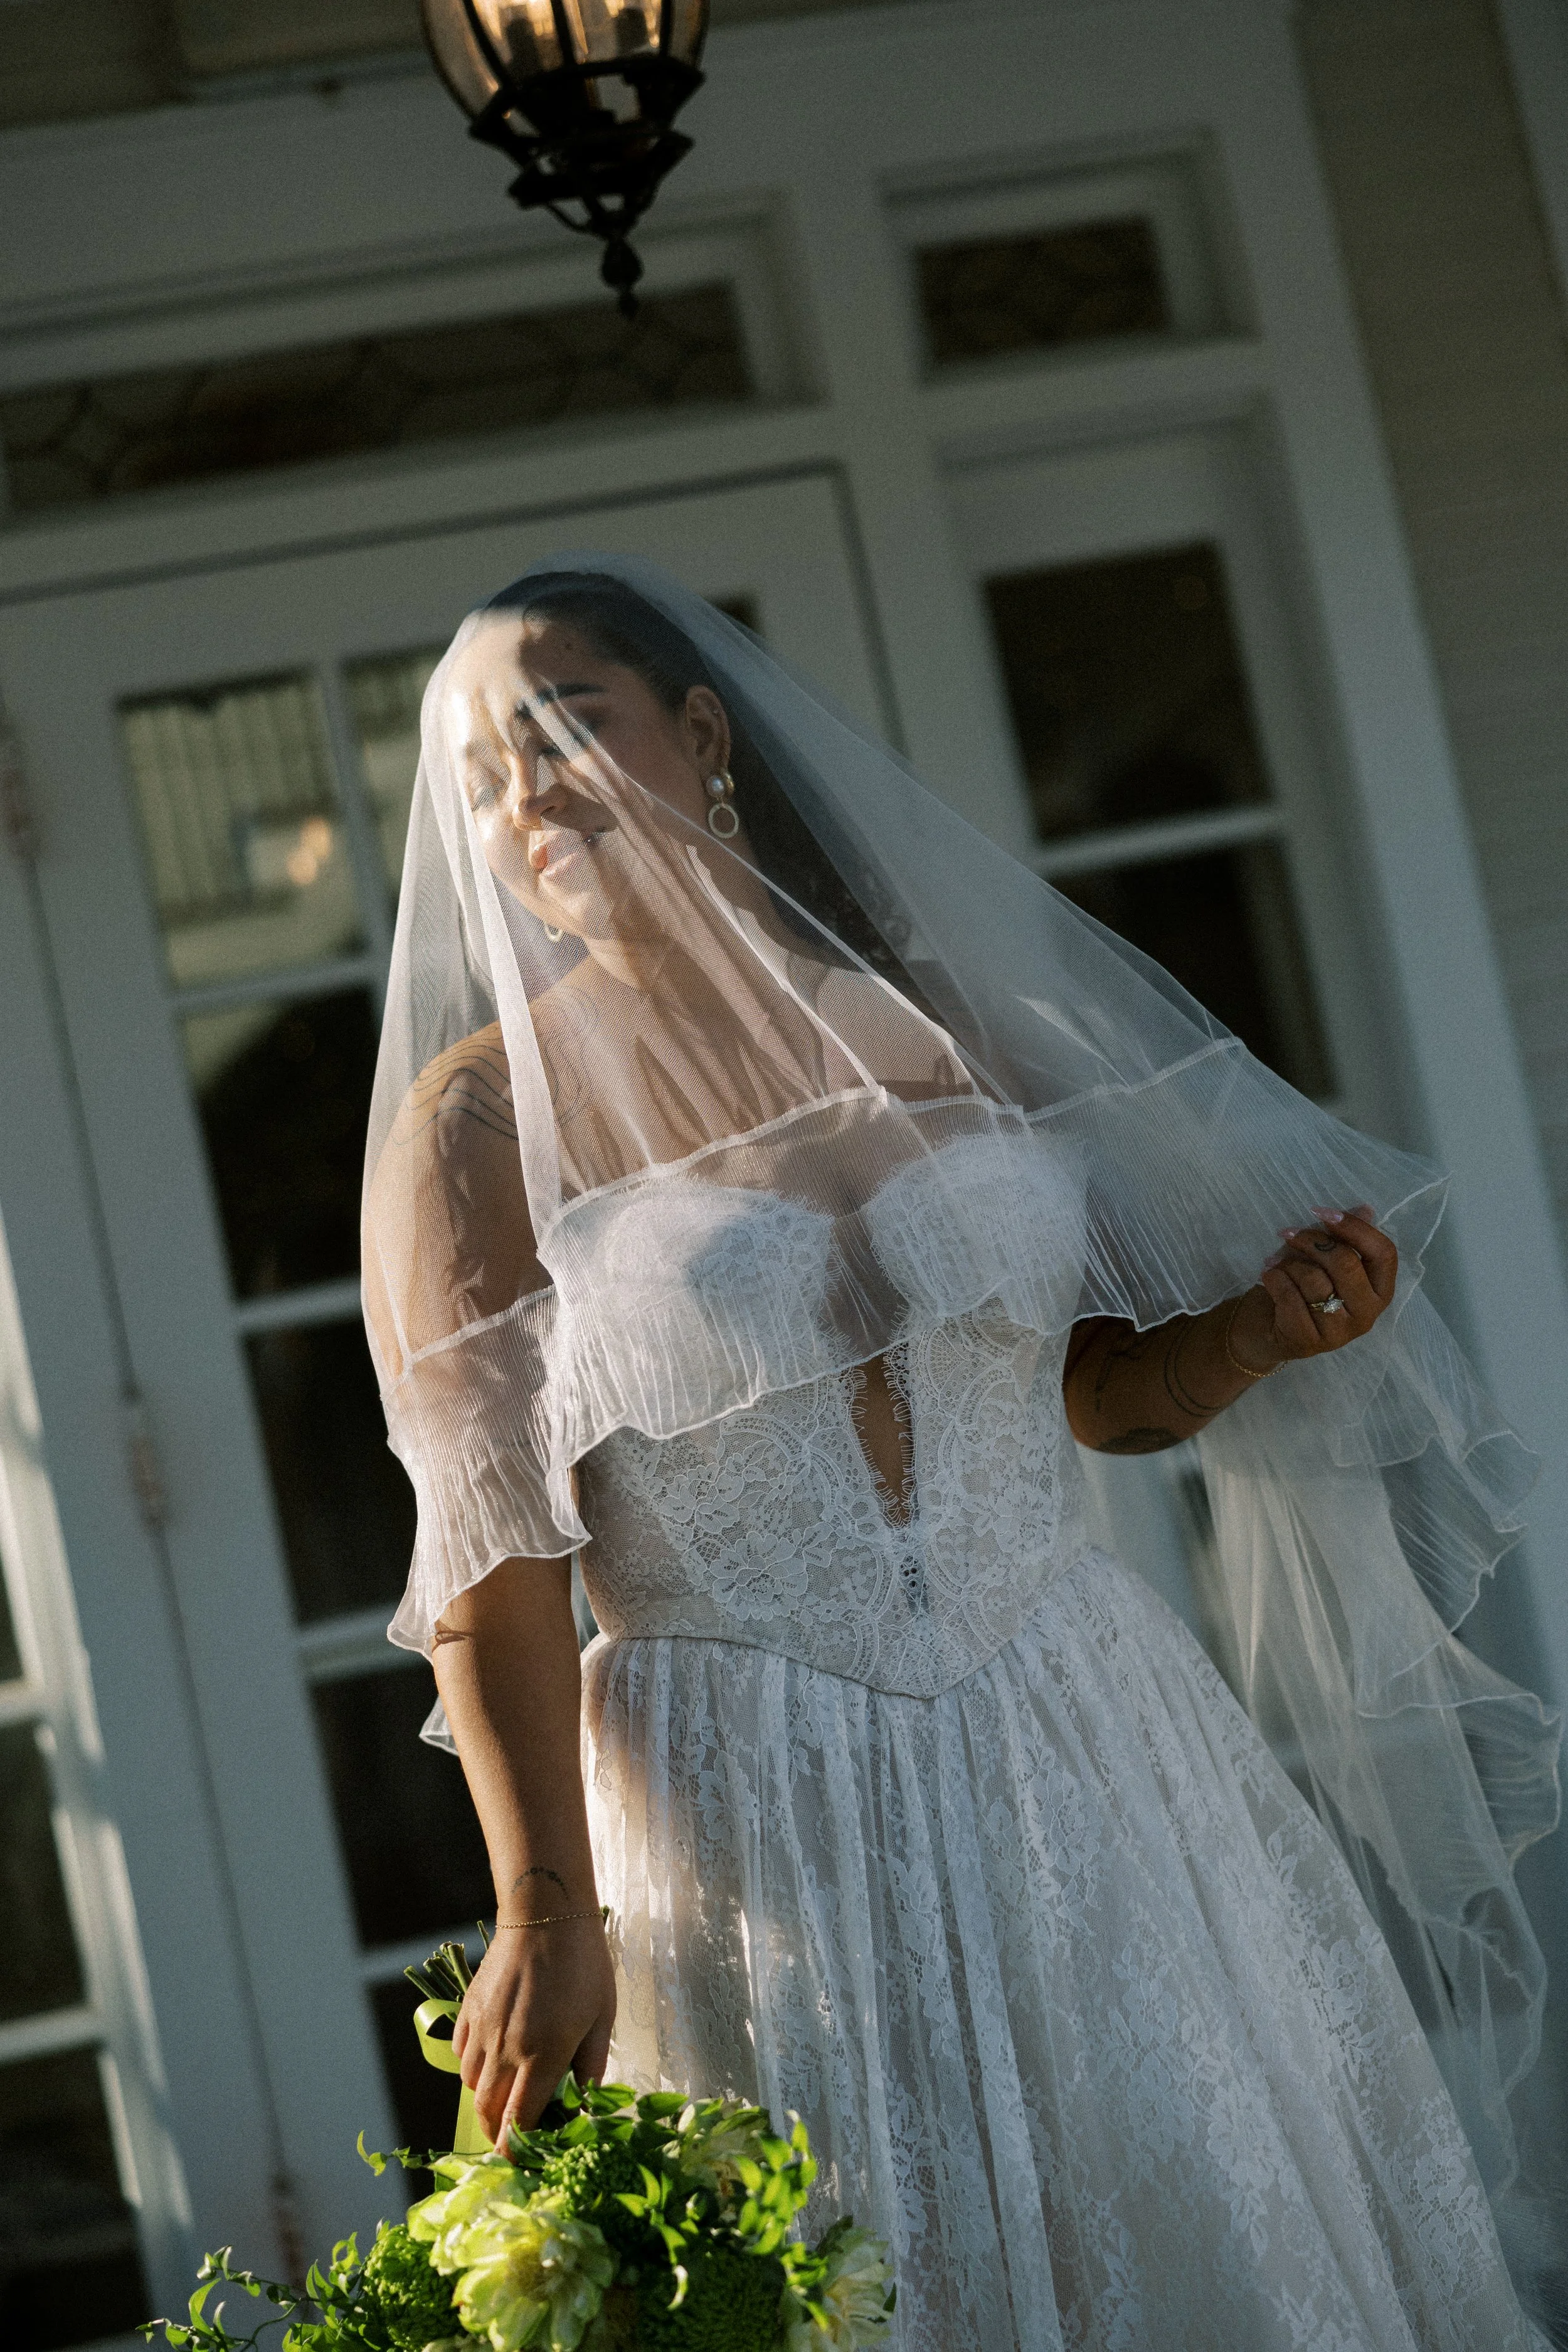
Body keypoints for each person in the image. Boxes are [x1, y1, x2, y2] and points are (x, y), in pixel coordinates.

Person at [362, 558, 1560, 2349]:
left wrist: (1254, 1332)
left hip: (1082, 1734)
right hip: (757, 1799)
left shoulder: (950, 1034)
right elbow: (490, 1556)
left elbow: (1092, 1391)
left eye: (562, 721)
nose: (524, 788)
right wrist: (548, 1901)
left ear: (700, 733)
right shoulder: (474, 1124)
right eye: (480, 773)